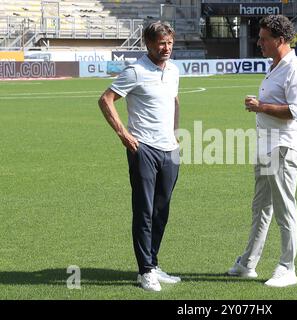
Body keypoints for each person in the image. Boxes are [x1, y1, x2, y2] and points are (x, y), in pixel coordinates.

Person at [98, 21, 181, 292]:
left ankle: (154, 264)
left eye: (169, 42)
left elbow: (175, 101)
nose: (165, 47)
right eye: (160, 42)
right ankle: (145, 271)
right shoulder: (135, 71)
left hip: (170, 150)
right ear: (148, 43)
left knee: (162, 210)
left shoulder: (174, 70)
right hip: (143, 148)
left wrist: (176, 134)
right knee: (144, 211)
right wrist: (123, 134)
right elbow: (106, 99)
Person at [228, 15, 297, 287]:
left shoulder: (294, 69)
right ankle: (248, 263)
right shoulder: (275, 66)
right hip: (267, 146)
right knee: (261, 207)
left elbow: (296, 112)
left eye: (264, 38)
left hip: (284, 146)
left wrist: (260, 106)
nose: (259, 42)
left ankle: (288, 267)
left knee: (284, 208)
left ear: (281, 40)